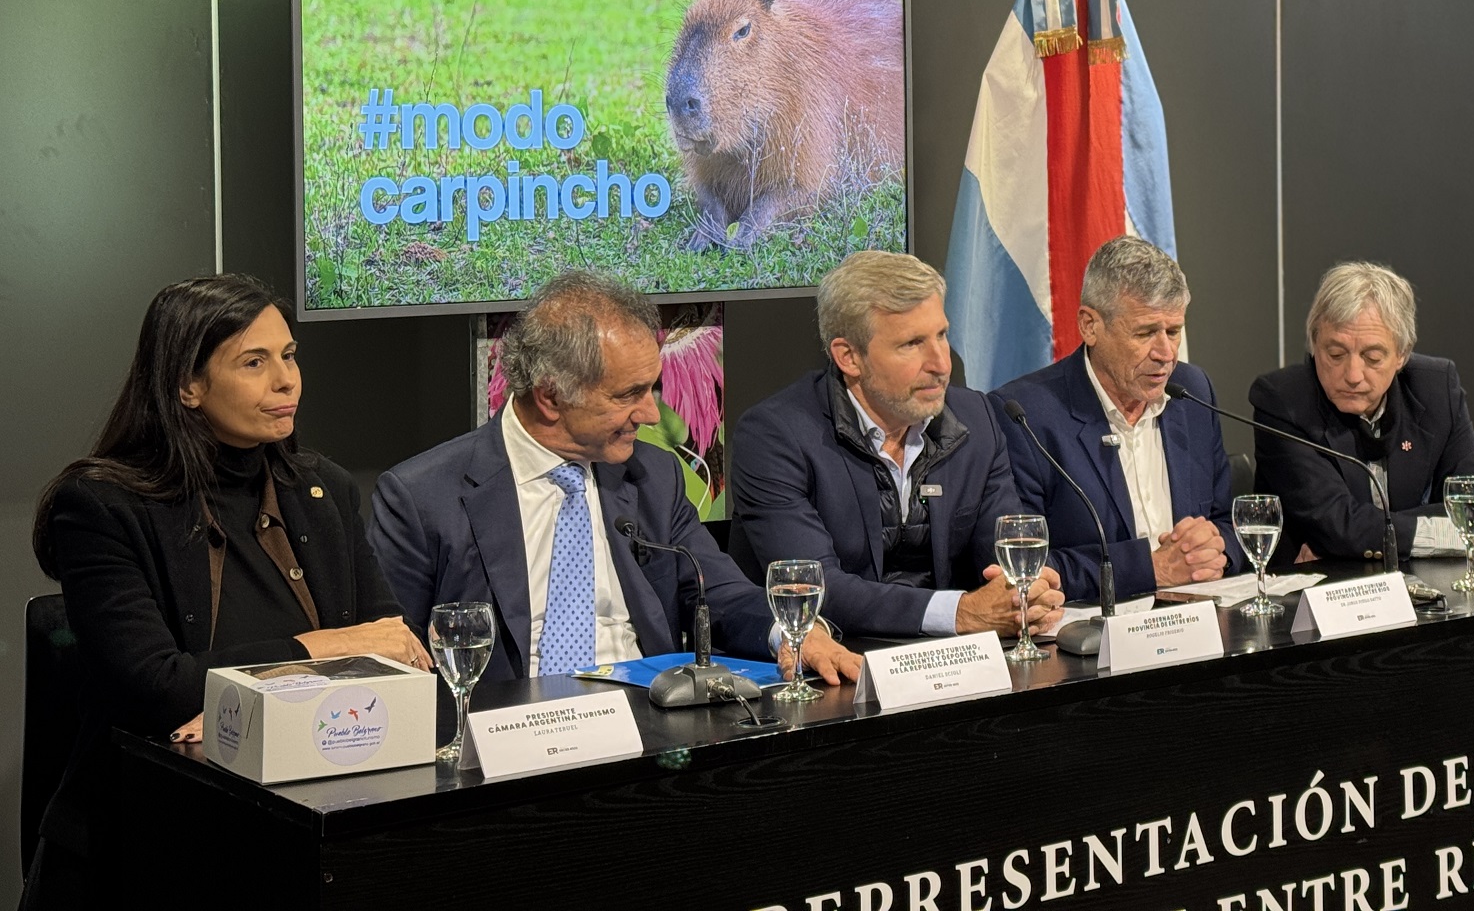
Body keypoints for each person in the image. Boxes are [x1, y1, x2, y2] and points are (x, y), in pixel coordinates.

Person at [27, 275, 426, 909]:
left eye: (289, 355)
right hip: (145, 842)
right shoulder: (102, 505)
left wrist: (235, 704)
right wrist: (324, 648)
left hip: (305, 823)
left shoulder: (322, 488)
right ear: (187, 385)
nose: (287, 381)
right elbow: (158, 689)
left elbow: (398, 657)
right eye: (254, 362)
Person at [370, 271, 860, 684]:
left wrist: (791, 633)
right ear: (550, 397)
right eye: (628, 395)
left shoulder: (653, 475)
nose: (650, 414)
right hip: (506, 735)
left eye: (652, 389)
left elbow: (719, 593)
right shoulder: (423, 497)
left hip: (646, 724)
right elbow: (394, 655)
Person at [731, 251, 1065, 640]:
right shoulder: (775, 436)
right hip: (830, 656)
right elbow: (812, 589)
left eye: (942, 335)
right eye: (911, 344)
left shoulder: (976, 418)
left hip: (952, 656)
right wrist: (958, 613)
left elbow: (1002, 557)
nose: (941, 364)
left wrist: (1027, 594)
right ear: (849, 357)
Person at [1250, 261, 1474, 564]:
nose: (1352, 374)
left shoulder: (1436, 388)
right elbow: (1338, 527)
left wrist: (1362, 534)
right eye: (1336, 354)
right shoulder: (1282, 402)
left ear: (1402, 355)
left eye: (1372, 357)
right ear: (1315, 344)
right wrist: (1454, 534)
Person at [996, 236, 1244, 603]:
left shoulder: (1192, 392)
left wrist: (1215, 551)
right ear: (1090, 326)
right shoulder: (1026, 415)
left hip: (1198, 617)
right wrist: (1149, 569)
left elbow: (1227, 522)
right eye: (1145, 333)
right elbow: (1024, 566)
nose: (1165, 354)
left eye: (1173, 331)